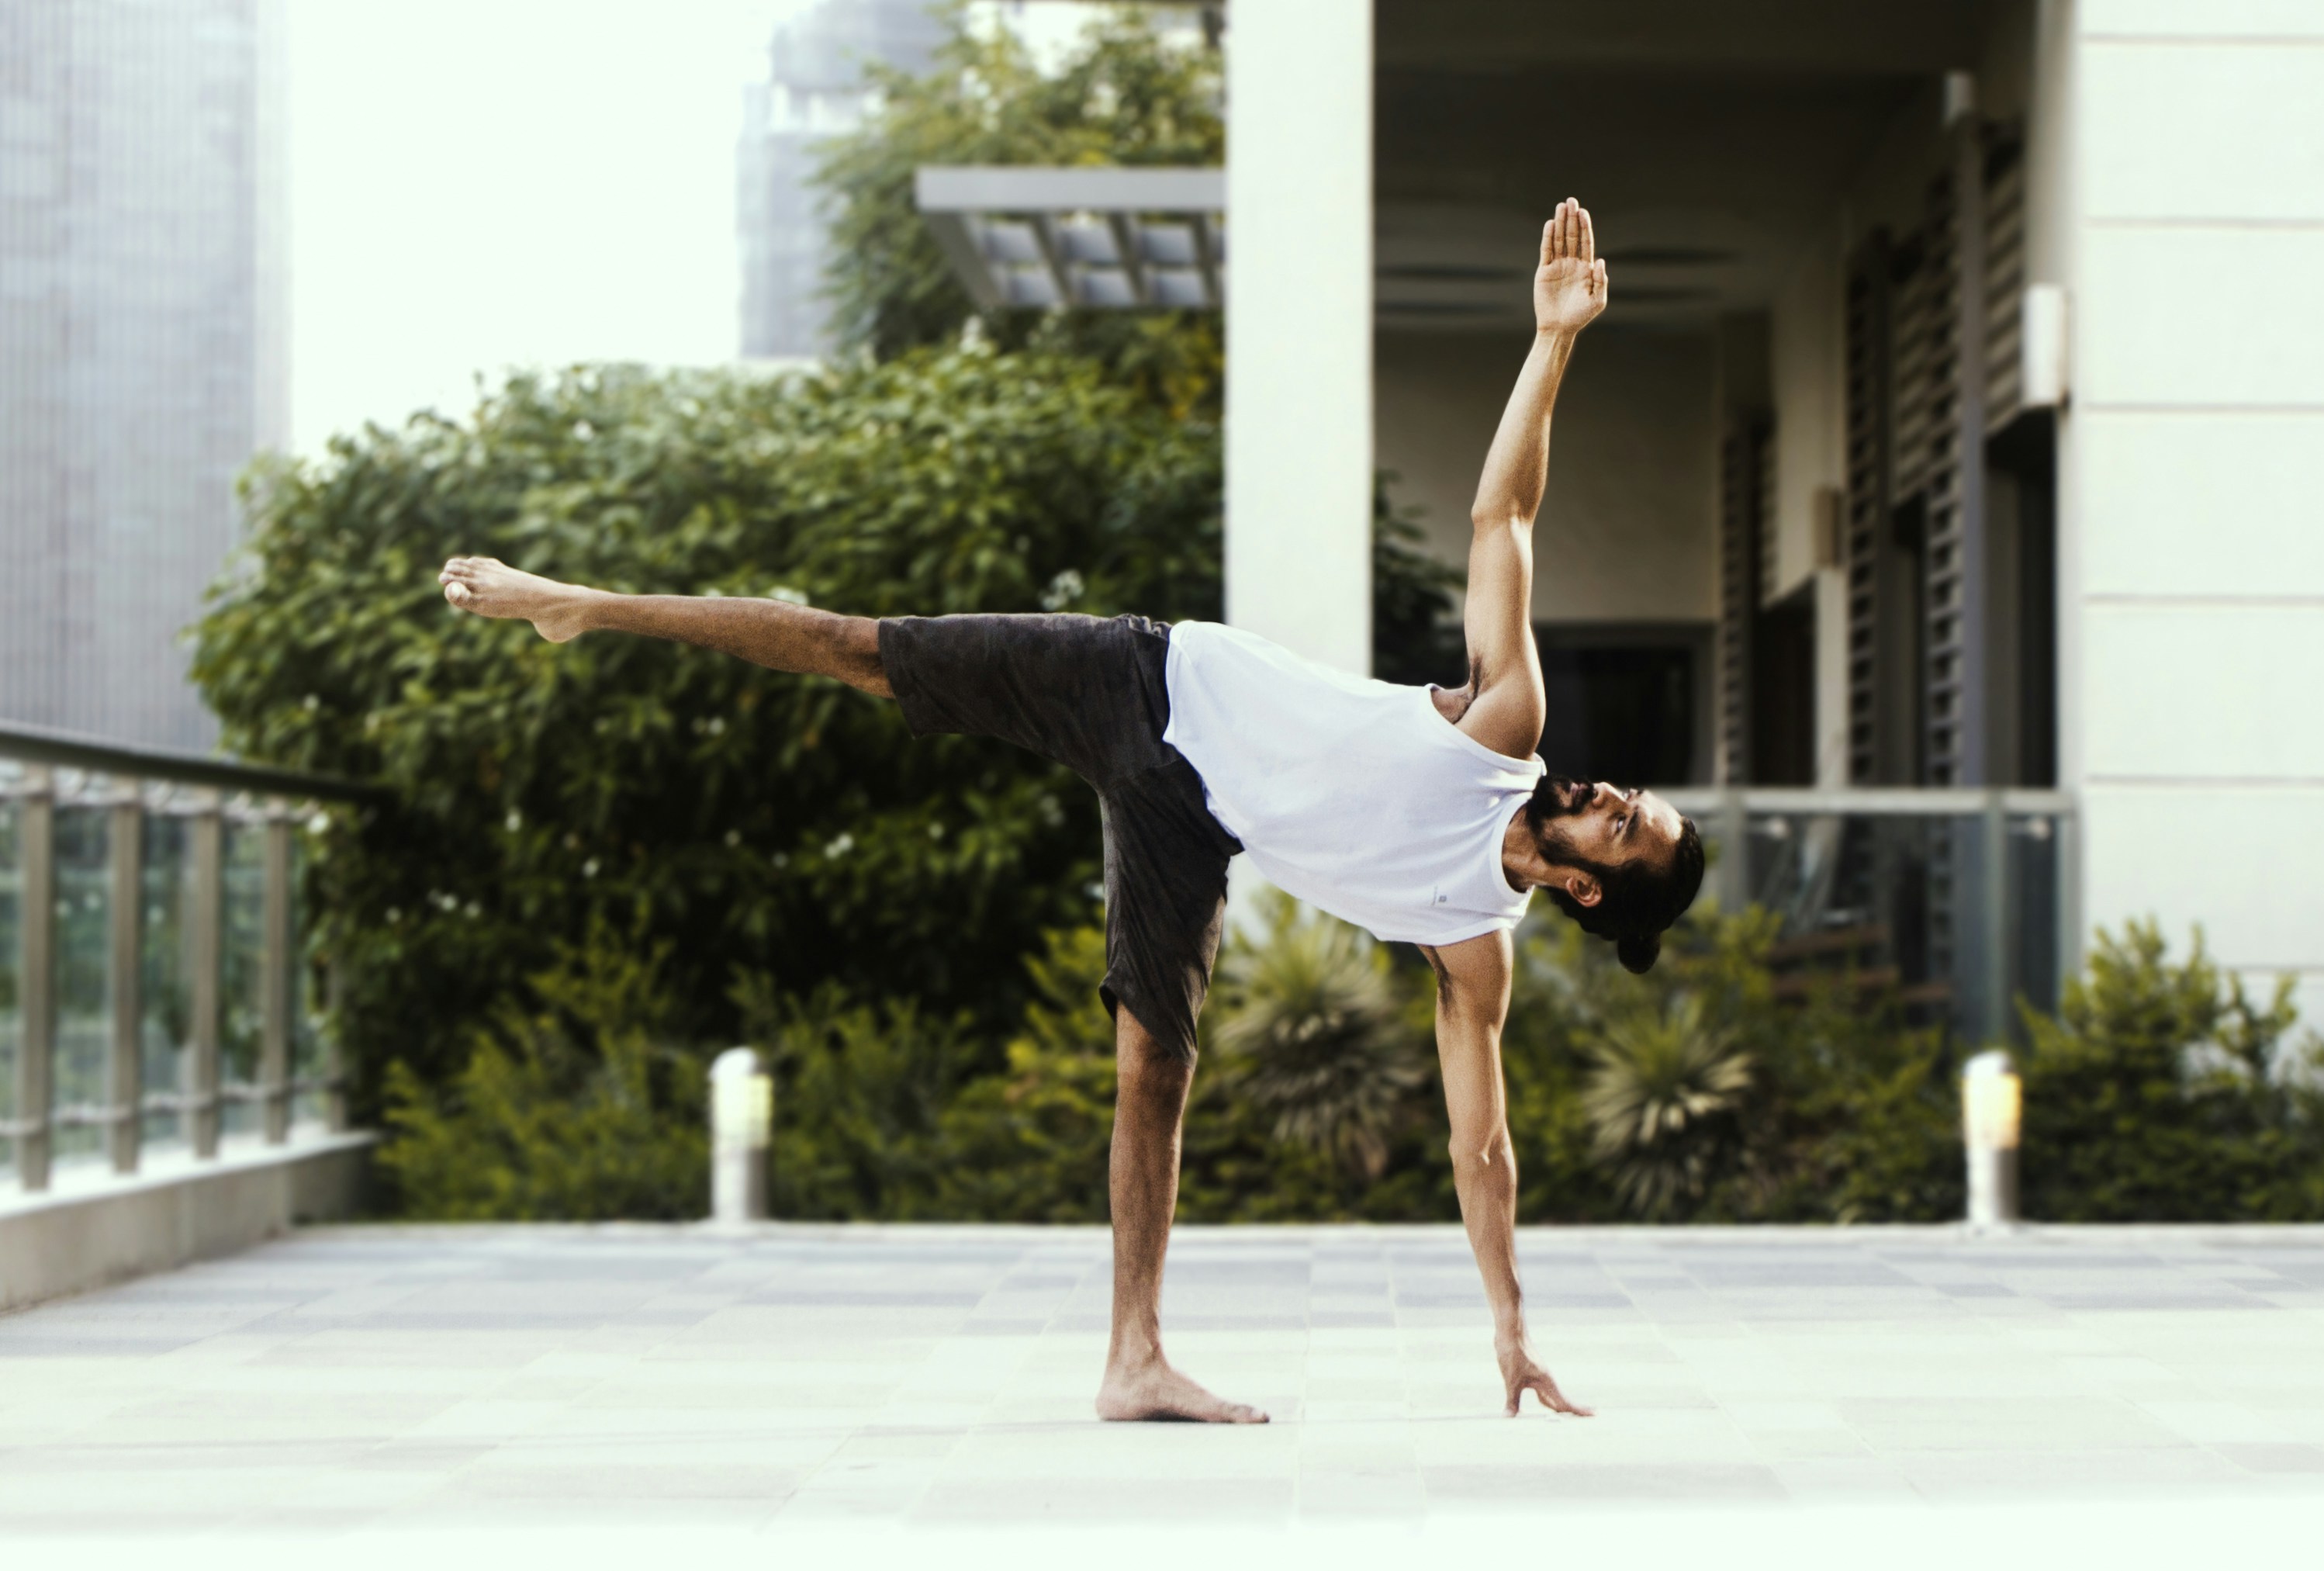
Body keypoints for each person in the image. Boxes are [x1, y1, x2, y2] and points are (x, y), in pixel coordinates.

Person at [440, 197, 1705, 1424]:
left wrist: (1511, 1328)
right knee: (857, 647)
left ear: (1590, 887)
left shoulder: (1469, 953)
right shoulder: (1505, 726)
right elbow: (1504, 515)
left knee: (1155, 1064)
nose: (1601, 793)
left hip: (1187, 827)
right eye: (1625, 797)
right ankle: (582, 600)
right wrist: (1551, 342)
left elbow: (1481, 1152)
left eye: (1620, 824)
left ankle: (1134, 1359)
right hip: (1141, 676)